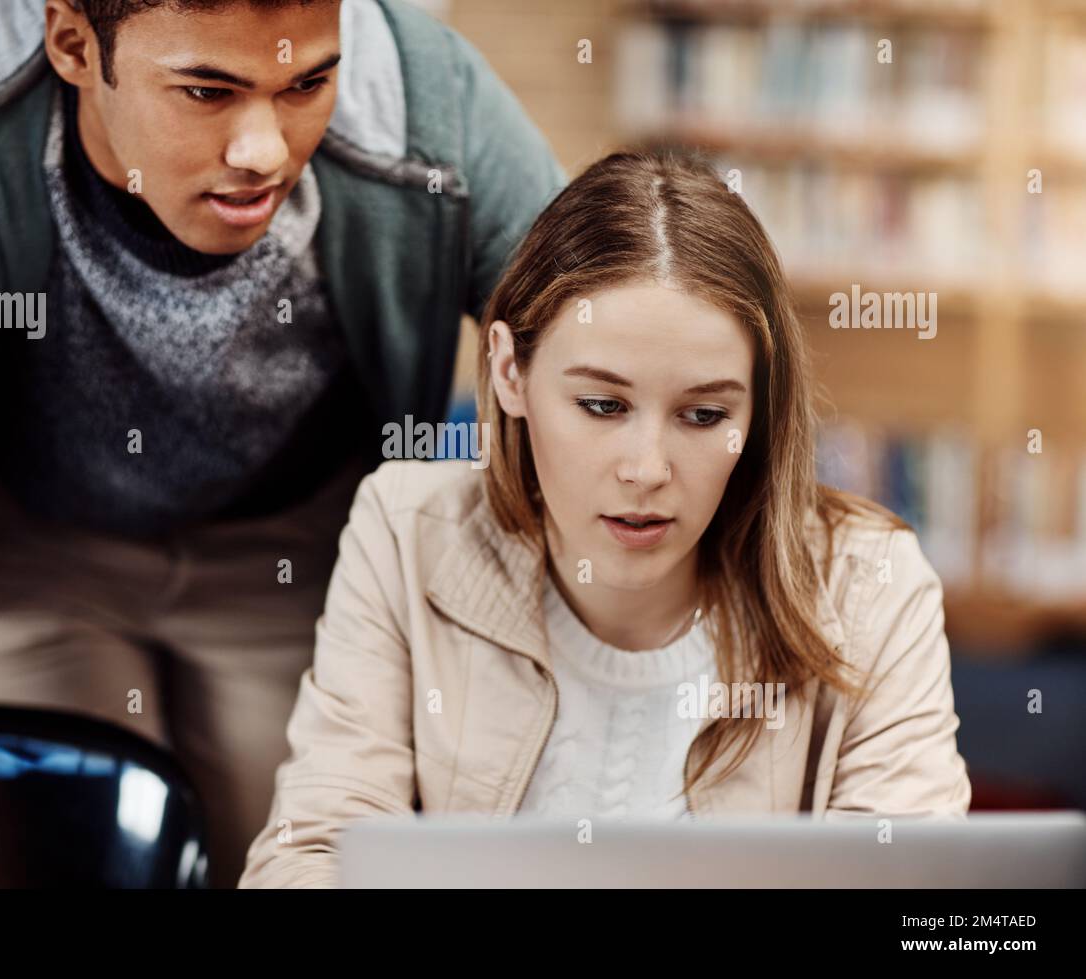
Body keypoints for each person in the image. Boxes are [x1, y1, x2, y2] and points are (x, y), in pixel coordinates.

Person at [0, 0, 564, 887]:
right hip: (34, 548)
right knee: (55, 849)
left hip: (293, 557)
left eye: (306, 84)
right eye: (206, 91)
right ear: (72, 43)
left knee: (290, 856)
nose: (262, 150)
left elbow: (605, 336)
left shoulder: (423, 93)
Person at [239, 151, 973, 888]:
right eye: (602, 406)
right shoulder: (405, 531)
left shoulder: (871, 585)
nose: (647, 468)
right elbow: (307, 861)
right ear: (509, 371)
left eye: (704, 414)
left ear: (758, 411)